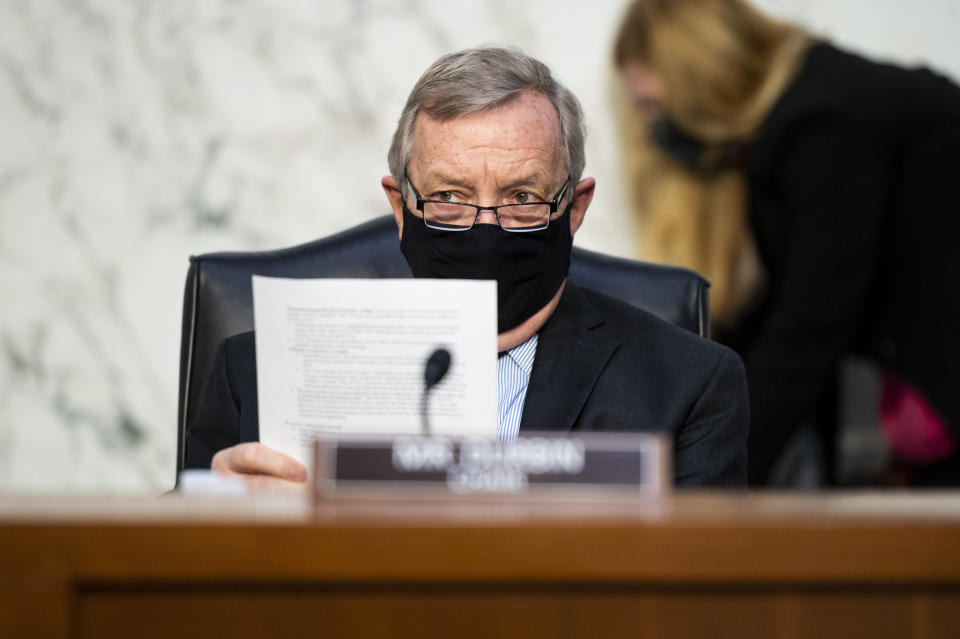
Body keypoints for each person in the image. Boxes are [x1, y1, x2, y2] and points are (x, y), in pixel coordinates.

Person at [184, 46, 749, 490]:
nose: (485, 227)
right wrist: (213, 518)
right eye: (450, 195)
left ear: (574, 209)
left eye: (522, 196)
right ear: (401, 208)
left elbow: (700, 597)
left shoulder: (689, 384)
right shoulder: (254, 373)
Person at [613, 0, 960, 485]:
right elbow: (783, 316)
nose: (655, 129)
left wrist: (707, 481)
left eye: (655, 107)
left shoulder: (825, 120)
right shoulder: (794, 122)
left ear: (702, 81)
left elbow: (812, 326)